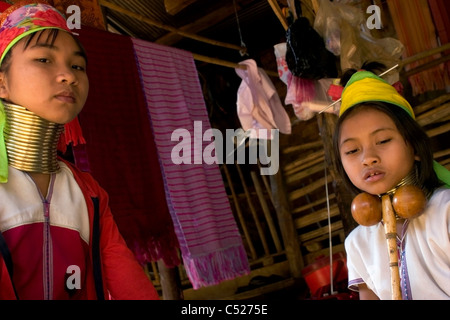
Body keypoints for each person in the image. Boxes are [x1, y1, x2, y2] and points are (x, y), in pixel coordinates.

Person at [0, 0, 159, 300]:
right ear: (1, 82)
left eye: (77, 66)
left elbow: (129, 284)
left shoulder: (90, 193)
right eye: (44, 60)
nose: (70, 76)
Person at [332, 62, 450, 300]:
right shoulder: (357, 244)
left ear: (415, 146)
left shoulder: (445, 212)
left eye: (383, 140)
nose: (368, 159)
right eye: (353, 150)